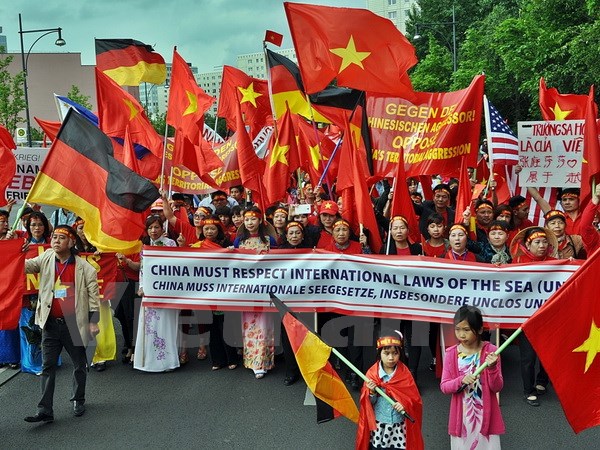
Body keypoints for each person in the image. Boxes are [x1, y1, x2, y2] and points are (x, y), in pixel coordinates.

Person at [24, 225, 100, 423]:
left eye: (61, 238)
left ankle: (78, 399)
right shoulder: (46, 257)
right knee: (47, 366)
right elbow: (26, 267)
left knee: (79, 364)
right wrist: (17, 252)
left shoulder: (85, 268)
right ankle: (45, 410)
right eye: (54, 237)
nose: (56, 241)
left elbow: (94, 299)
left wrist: (93, 322)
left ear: (72, 242)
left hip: (74, 323)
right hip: (50, 323)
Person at [440, 306, 504, 448]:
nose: (461, 335)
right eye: (457, 329)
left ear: (480, 330)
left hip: (486, 416)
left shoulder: (492, 352)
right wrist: (460, 380)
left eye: (466, 330)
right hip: (462, 418)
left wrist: (492, 368)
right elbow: (444, 386)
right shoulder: (451, 354)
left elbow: (497, 387)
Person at [356, 332, 424, 450]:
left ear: (400, 353)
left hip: (398, 427)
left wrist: (404, 405)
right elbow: (367, 404)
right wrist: (372, 392)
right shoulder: (372, 374)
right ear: (379, 353)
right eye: (386, 353)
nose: (391, 358)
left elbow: (414, 401)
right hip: (379, 425)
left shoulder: (405, 374)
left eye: (395, 353)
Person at [233, 207, 277, 379]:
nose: (250, 223)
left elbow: (278, 262)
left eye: (253, 219)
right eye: (247, 220)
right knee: (249, 325)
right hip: (247, 289)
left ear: (260, 221)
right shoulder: (239, 241)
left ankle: (263, 362)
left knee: (265, 326)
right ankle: (252, 361)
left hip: (265, 288)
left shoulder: (269, 240)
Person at [133, 215, 180, 373]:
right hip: (150, 291)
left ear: (162, 228)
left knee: (167, 325)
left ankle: (168, 362)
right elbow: (142, 269)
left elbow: (176, 266)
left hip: (167, 291)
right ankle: (148, 362)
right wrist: (141, 286)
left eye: (156, 227)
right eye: (150, 228)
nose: (153, 230)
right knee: (150, 326)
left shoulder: (170, 244)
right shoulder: (145, 246)